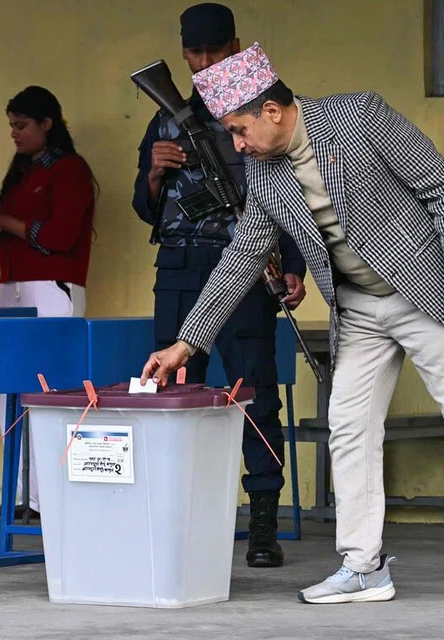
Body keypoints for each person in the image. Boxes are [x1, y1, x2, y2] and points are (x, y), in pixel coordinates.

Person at [140, 41, 444, 608]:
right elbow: (242, 256)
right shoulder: (264, 175)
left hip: (425, 291)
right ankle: (363, 566)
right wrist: (186, 343)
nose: (237, 145)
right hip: (358, 309)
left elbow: (442, 187)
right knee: (351, 427)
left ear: (272, 111)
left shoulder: (358, 117)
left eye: (239, 130)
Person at [131, 3, 306, 569]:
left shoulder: (264, 109)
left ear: (235, 48)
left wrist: (296, 265)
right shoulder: (165, 116)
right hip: (181, 270)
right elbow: (145, 207)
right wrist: (154, 173)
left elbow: (295, 191)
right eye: (195, 54)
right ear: (183, 53)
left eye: (214, 52)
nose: (204, 63)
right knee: (176, 398)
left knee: (255, 397)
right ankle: (176, 520)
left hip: (248, 273)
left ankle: (261, 525)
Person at [0, 85, 97, 516]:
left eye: (22, 125)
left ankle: (44, 496)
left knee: (47, 392)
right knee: (6, 389)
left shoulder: (69, 170)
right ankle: (17, 494)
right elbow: (15, 234)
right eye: (11, 125)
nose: (14, 134)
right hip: (11, 285)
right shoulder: (22, 170)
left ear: (48, 124)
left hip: (53, 287)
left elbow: (60, 237)